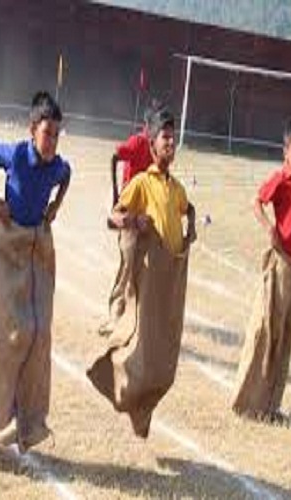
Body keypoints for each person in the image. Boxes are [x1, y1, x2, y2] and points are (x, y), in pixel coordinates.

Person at [0, 91, 71, 453]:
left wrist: (56, 205)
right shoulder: (14, 154)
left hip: (37, 245)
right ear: (32, 130)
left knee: (39, 332)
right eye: (47, 134)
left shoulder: (56, 166)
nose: (52, 141)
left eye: (57, 135)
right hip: (9, 243)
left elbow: (67, 174)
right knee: (11, 330)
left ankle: (30, 422)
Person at [87, 107, 196, 438]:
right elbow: (112, 218)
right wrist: (135, 220)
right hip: (148, 274)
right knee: (144, 347)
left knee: (165, 359)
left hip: (170, 279)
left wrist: (191, 225)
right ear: (152, 144)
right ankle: (111, 377)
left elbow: (187, 208)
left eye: (173, 138)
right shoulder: (141, 183)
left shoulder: (176, 188)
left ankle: (140, 408)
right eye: (165, 138)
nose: (171, 143)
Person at [232, 116, 291, 421]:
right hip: (281, 264)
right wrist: (269, 228)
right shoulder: (280, 179)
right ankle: (247, 401)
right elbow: (256, 202)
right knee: (267, 330)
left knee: (285, 334)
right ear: (285, 152)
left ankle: (271, 404)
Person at [100, 102, 158, 336]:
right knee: (128, 262)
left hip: (144, 213)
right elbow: (115, 156)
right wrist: (116, 193)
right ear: (148, 125)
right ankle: (114, 315)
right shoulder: (138, 142)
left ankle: (135, 313)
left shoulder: (156, 147)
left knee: (141, 264)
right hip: (128, 210)